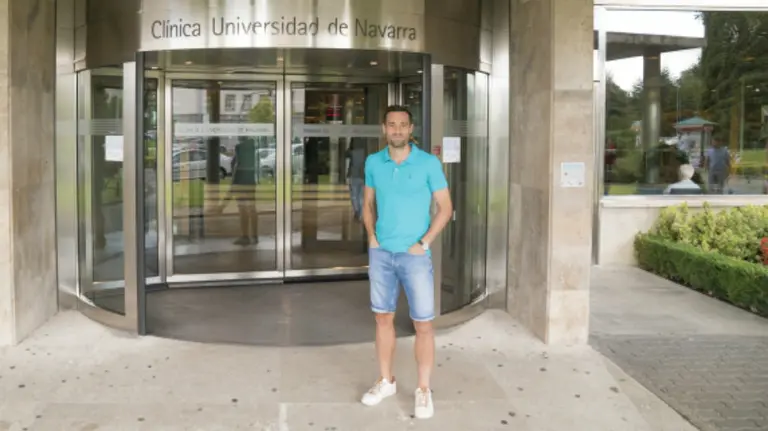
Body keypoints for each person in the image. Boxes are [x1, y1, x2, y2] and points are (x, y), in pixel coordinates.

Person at [360, 105, 453, 419]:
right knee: (382, 318)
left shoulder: (428, 163)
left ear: (411, 129)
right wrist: (372, 237)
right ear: (383, 128)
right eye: (391, 124)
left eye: (402, 124)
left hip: (415, 256)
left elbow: (445, 208)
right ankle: (386, 381)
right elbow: (367, 203)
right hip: (382, 254)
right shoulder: (374, 162)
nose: (397, 130)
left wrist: (424, 243)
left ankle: (423, 389)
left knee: (423, 324)